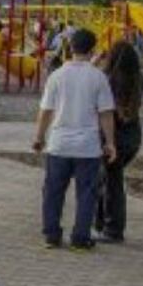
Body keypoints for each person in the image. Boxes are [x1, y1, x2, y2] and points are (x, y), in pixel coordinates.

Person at [33, 28, 117, 251]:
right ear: (92, 50)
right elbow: (106, 113)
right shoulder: (98, 77)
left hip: (59, 143)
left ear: (70, 47)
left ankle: (51, 234)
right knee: (87, 193)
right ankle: (80, 238)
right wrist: (110, 142)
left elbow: (46, 111)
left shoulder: (56, 76)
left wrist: (39, 137)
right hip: (87, 146)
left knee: (53, 191)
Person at [95, 41, 143, 242]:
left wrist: (95, 60)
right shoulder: (140, 80)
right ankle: (101, 223)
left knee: (111, 183)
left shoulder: (107, 80)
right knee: (108, 180)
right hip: (133, 137)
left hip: (112, 136)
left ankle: (112, 229)